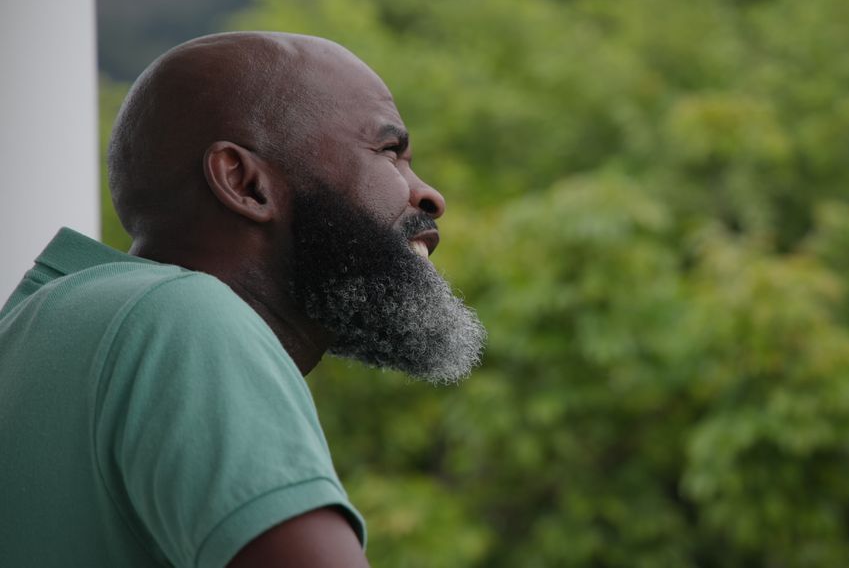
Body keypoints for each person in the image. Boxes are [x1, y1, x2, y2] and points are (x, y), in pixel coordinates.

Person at [0, 31, 485, 567]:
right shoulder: (184, 320)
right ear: (246, 184)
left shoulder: (37, 331)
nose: (428, 195)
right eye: (389, 152)